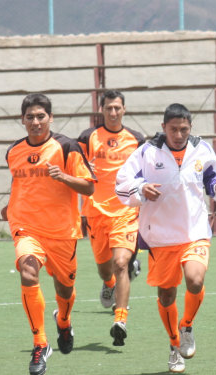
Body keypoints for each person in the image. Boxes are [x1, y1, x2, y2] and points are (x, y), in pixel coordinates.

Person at [115, 103, 216, 373]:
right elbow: (121, 184)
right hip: (161, 237)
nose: (178, 134)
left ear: (190, 128)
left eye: (184, 129)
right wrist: (142, 188)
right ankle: (173, 345)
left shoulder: (201, 149)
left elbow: (214, 180)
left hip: (194, 232)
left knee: (195, 279)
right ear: (163, 127)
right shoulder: (147, 152)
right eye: (173, 129)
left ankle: (187, 325)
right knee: (167, 296)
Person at [2, 93, 95, 375]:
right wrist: (10, 207)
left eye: (41, 116)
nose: (35, 121)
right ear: (22, 120)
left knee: (64, 290)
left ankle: (64, 322)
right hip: (26, 227)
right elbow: (21, 183)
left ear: (50, 118)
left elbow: (89, 187)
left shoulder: (67, 147)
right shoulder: (13, 151)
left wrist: (64, 177)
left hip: (62, 232)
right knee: (28, 272)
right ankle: (40, 343)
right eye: (30, 117)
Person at [77, 90, 145, 346]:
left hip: (126, 211)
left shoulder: (136, 140)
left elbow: (147, 170)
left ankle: (120, 319)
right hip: (96, 212)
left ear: (124, 109)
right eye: (109, 108)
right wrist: (83, 168)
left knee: (121, 264)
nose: (113, 113)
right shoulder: (88, 137)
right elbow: (73, 164)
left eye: (117, 108)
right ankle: (108, 284)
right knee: (105, 268)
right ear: (101, 110)